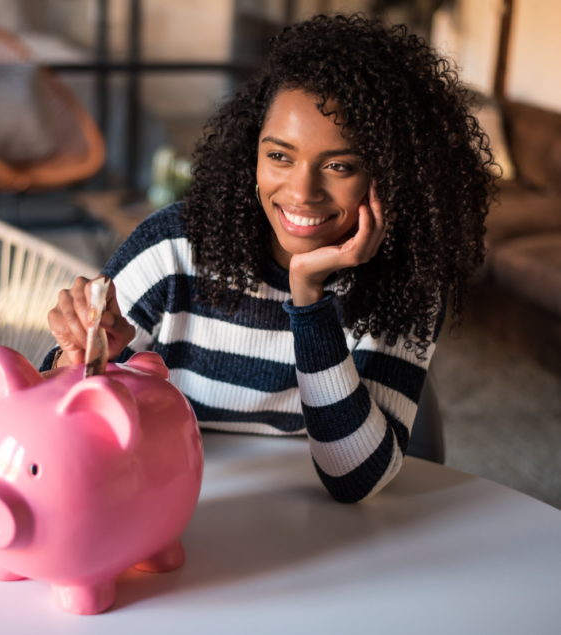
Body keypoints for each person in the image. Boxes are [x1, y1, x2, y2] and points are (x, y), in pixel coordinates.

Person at [42, 14, 494, 503]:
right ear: (252, 154)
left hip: (310, 516)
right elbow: (58, 420)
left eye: (339, 165)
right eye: (280, 156)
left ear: (388, 173)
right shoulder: (174, 248)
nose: (301, 192)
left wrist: (309, 300)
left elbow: (356, 479)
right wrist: (79, 357)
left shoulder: (408, 279)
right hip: (172, 494)